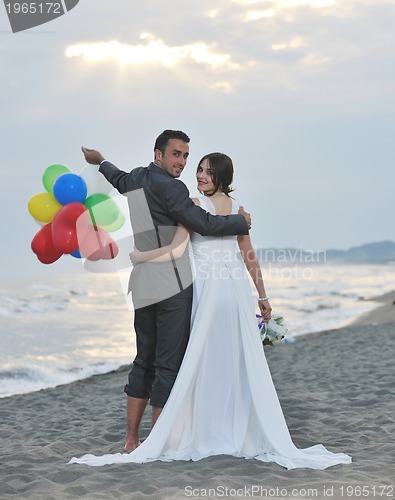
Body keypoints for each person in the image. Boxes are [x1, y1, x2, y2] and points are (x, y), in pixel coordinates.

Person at [70, 153, 351, 469]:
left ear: (222, 177)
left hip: (207, 289)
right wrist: (262, 295)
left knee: (202, 359)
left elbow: (179, 249)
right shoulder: (238, 210)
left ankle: (200, 428)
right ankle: (231, 428)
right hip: (232, 290)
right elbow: (247, 255)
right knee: (233, 359)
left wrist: (142, 257)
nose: (200, 175)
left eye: (207, 171)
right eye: (199, 169)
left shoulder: (194, 204)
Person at [81, 131, 251, 452]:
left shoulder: (136, 178)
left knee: (143, 359)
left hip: (143, 280)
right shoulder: (173, 188)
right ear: (158, 154)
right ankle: (155, 442)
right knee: (167, 363)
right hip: (173, 285)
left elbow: (116, 177)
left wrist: (99, 161)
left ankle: (131, 440)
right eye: (176, 155)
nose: (182, 162)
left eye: (186, 156)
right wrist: (240, 222)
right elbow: (204, 224)